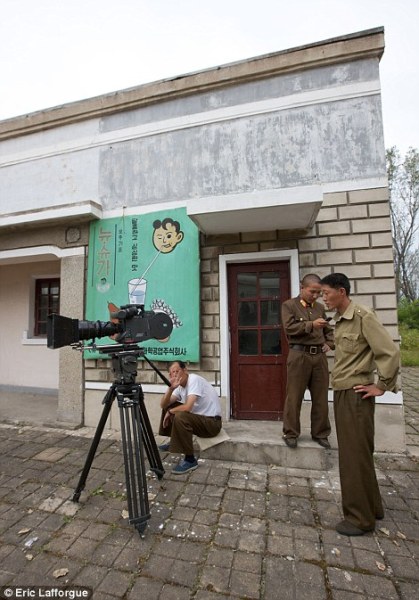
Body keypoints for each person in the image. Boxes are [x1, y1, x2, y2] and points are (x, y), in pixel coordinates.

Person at [320, 273, 400, 536]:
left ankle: (358, 519)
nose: (324, 298)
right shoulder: (340, 320)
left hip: (355, 395)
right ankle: (372, 508)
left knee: (353, 457)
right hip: (344, 392)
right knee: (359, 453)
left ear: (341, 291)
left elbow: (389, 352)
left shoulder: (362, 316)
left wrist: (382, 385)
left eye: (326, 293)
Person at [281, 273, 334, 449]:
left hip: (319, 357)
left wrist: (330, 343)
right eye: (312, 291)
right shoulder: (289, 306)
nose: (316, 295)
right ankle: (290, 433)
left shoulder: (319, 308)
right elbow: (289, 328)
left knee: (321, 397)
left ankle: (320, 433)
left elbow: (328, 331)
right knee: (294, 396)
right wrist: (311, 325)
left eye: (319, 292)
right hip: (299, 355)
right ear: (302, 287)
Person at [158, 360, 222, 474]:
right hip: (200, 419)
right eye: (172, 373)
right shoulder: (179, 387)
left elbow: (187, 407)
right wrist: (170, 389)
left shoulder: (193, 380)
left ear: (185, 370)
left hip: (212, 424)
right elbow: (163, 404)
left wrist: (171, 412)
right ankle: (174, 441)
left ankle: (190, 459)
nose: (175, 375)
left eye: (177, 371)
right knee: (169, 406)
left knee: (180, 416)